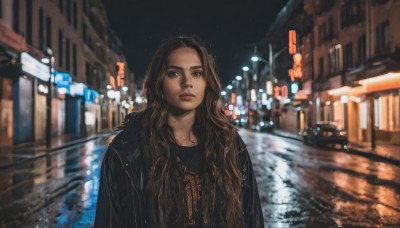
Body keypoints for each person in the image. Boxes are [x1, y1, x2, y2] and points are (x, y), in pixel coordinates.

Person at [94, 36, 263, 228]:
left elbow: (252, 216)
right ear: (159, 82)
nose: (187, 82)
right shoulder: (126, 152)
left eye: (197, 73)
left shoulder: (230, 145)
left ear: (207, 82)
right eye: (174, 73)